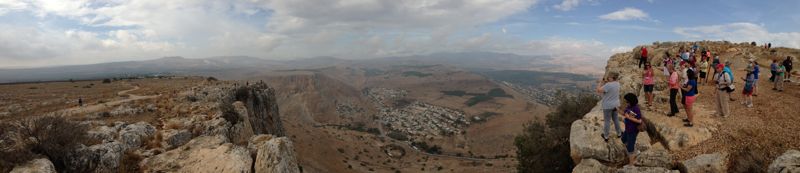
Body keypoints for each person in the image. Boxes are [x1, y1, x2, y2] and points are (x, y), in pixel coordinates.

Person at [597, 72, 622, 141]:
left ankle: (606, 136)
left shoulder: (608, 85)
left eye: (609, 76)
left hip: (608, 105)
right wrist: (605, 81)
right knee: (616, 119)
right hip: (616, 105)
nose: (608, 77)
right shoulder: (617, 83)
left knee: (607, 121)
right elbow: (610, 84)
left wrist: (600, 83)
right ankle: (619, 133)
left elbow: (598, 90)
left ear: (612, 77)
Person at [620, 93, 643, 166]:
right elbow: (624, 114)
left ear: (631, 101)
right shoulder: (628, 107)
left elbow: (639, 121)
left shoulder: (636, 108)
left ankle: (631, 164)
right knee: (623, 139)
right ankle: (634, 151)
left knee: (630, 147)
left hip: (633, 130)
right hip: (628, 129)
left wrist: (629, 117)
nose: (626, 103)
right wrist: (616, 109)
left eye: (627, 101)